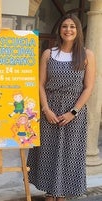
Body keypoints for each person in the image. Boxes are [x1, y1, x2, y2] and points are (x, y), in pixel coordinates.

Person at [27, 14, 96, 201]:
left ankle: (62, 193)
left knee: (70, 152)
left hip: (75, 112)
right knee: (48, 152)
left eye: (72, 26)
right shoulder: (49, 54)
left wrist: (73, 111)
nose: (68, 30)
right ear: (59, 30)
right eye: (64, 26)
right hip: (50, 109)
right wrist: (46, 109)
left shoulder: (87, 55)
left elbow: (89, 87)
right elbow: (40, 84)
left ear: (78, 30)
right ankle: (50, 192)